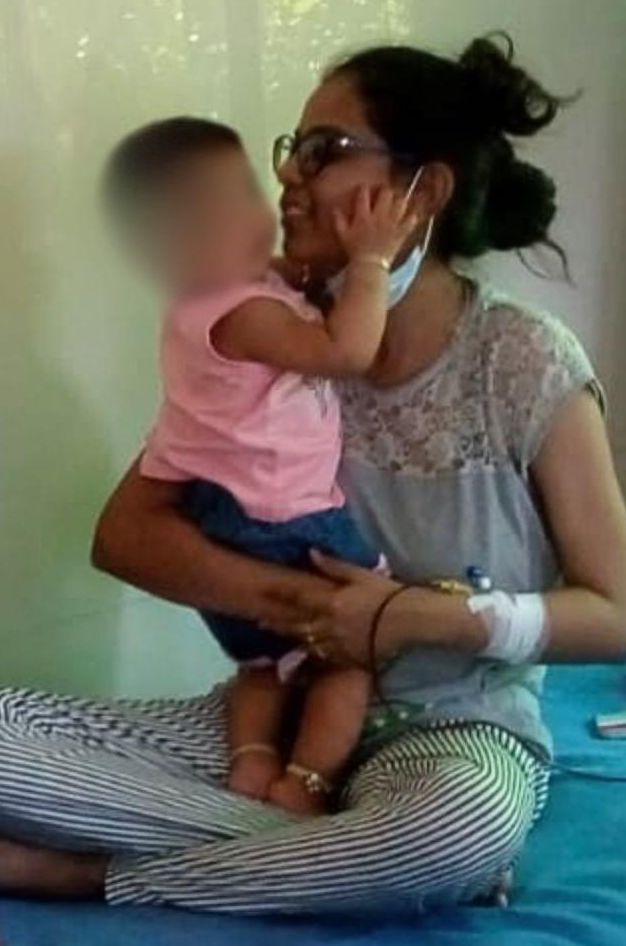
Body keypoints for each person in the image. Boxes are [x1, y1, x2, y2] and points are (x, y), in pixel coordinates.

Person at [0, 32, 626, 914]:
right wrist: (304, 608)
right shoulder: (276, 331)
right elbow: (127, 535)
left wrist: (404, 618)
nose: (289, 174)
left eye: (326, 151)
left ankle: (111, 874)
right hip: (277, 714)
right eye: (293, 148)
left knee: (459, 826)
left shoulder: (523, 361)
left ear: (423, 192)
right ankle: (332, 854)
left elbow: (615, 617)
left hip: (448, 732)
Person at [100, 116, 420, 815]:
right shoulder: (245, 312)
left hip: (217, 514)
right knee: (353, 654)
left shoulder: (211, 301)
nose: (270, 199)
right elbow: (345, 351)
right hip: (283, 516)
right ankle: (305, 783)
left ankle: (250, 767)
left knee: (262, 662)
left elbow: (283, 287)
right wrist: (371, 263)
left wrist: (295, 274)